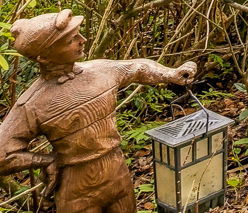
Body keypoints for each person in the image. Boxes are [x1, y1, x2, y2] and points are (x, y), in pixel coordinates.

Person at [0, 11, 196, 213]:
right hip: (77, 187)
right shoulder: (33, 103)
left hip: (118, 174)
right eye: (71, 39)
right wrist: (46, 161)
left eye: (79, 34)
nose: (82, 40)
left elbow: (137, 67)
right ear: (44, 57)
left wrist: (170, 73)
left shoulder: (100, 71)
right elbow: (2, 154)